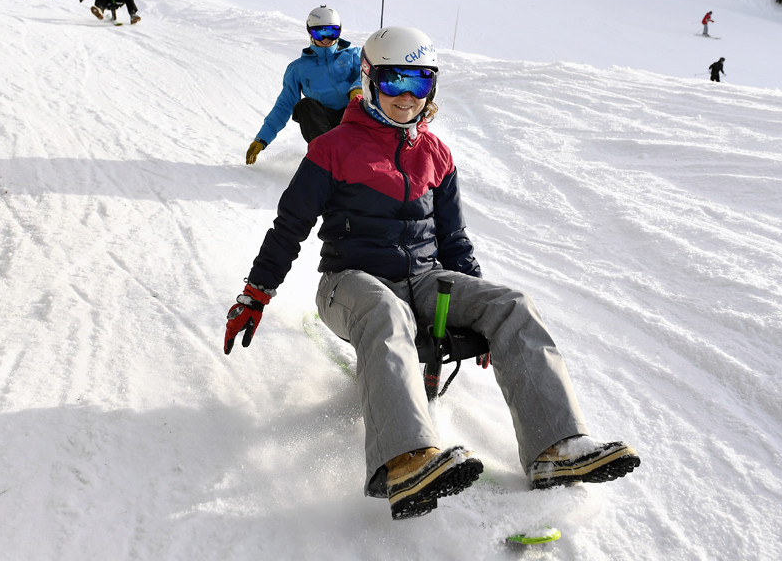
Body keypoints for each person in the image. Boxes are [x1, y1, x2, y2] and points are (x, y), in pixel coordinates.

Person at [226, 26, 642, 520]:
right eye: (395, 81)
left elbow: (454, 239)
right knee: (384, 312)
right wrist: (256, 294)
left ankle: (556, 449)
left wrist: (482, 311)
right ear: (369, 79)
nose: (407, 97)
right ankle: (403, 461)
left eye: (420, 84)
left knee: (510, 304)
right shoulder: (333, 148)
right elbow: (288, 227)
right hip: (350, 282)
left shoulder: (437, 153)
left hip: (423, 279)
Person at [245, 6, 362, 166]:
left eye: (332, 32)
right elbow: (284, 104)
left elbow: (367, 74)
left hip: (353, 115)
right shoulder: (298, 68)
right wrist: (262, 139)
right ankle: (326, 157)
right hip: (323, 123)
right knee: (304, 106)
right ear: (310, 33)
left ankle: (370, 154)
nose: (326, 39)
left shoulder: (354, 56)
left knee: (369, 100)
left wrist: (357, 89)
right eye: (319, 33)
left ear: (339, 32)